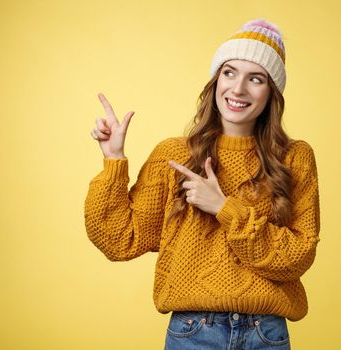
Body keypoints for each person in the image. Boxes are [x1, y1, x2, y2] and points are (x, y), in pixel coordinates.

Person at [85, 18, 321, 350]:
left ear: (271, 93)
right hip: (194, 332)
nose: (238, 89)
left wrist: (224, 208)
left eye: (255, 79)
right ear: (215, 81)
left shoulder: (295, 157)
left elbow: (298, 255)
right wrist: (113, 159)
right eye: (229, 72)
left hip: (265, 333)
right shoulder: (174, 155)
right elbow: (120, 240)